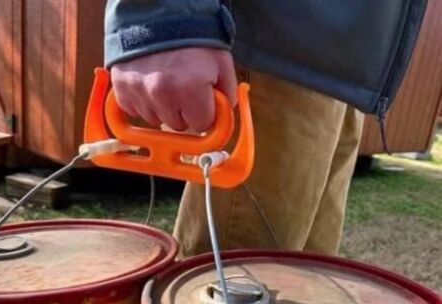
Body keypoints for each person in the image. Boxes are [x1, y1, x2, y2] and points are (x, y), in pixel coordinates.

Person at [104, 1, 426, 258]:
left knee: (302, 289)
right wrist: (160, 16)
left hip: (340, 73)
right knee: (230, 297)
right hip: (271, 53)